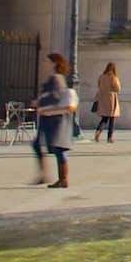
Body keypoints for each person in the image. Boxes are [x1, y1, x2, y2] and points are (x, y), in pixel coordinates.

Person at [31, 54, 74, 188]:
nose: (44, 63)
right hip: (49, 118)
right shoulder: (55, 78)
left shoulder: (56, 79)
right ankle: (47, 175)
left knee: (58, 149)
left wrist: (39, 102)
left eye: (47, 61)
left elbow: (54, 97)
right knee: (41, 145)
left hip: (54, 119)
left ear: (54, 63)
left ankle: (62, 178)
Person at [93, 63, 120, 142]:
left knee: (104, 118)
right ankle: (110, 137)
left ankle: (98, 130)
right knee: (112, 118)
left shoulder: (101, 77)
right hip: (111, 99)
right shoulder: (113, 78)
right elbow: (117, 88)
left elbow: (99, 85)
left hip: (102, 98)